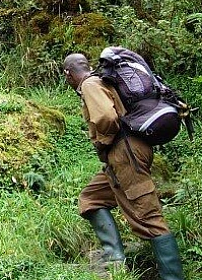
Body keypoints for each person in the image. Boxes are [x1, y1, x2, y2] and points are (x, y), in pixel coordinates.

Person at [63, 52, 185, 280]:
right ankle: (115, 265)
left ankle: (173, 278)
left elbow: (106, 118)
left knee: (148, 217)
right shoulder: (103, 80)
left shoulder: (90, 84)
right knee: (92, 199)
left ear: (68, 74)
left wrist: (102, 143)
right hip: (125, 154)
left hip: (125, 153)